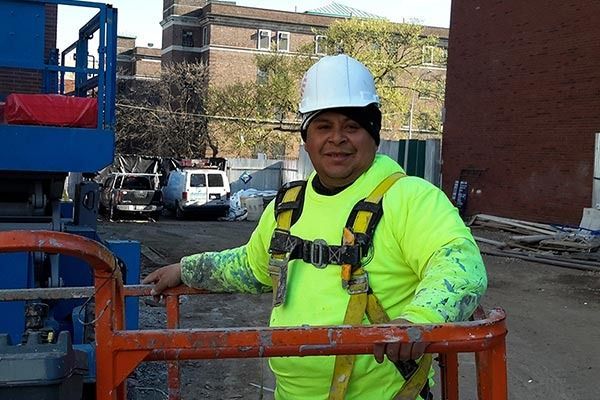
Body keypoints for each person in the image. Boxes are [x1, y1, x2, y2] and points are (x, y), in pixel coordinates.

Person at [143, 54, 487, 400]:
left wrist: (420, 320)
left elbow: (460, 264)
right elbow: (252, 266)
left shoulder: (409, 197)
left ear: (373, 134)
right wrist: (185, 269)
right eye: (324, 126)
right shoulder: (288, 205)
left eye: (352, 126)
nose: (337, 139)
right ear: (306, 137)